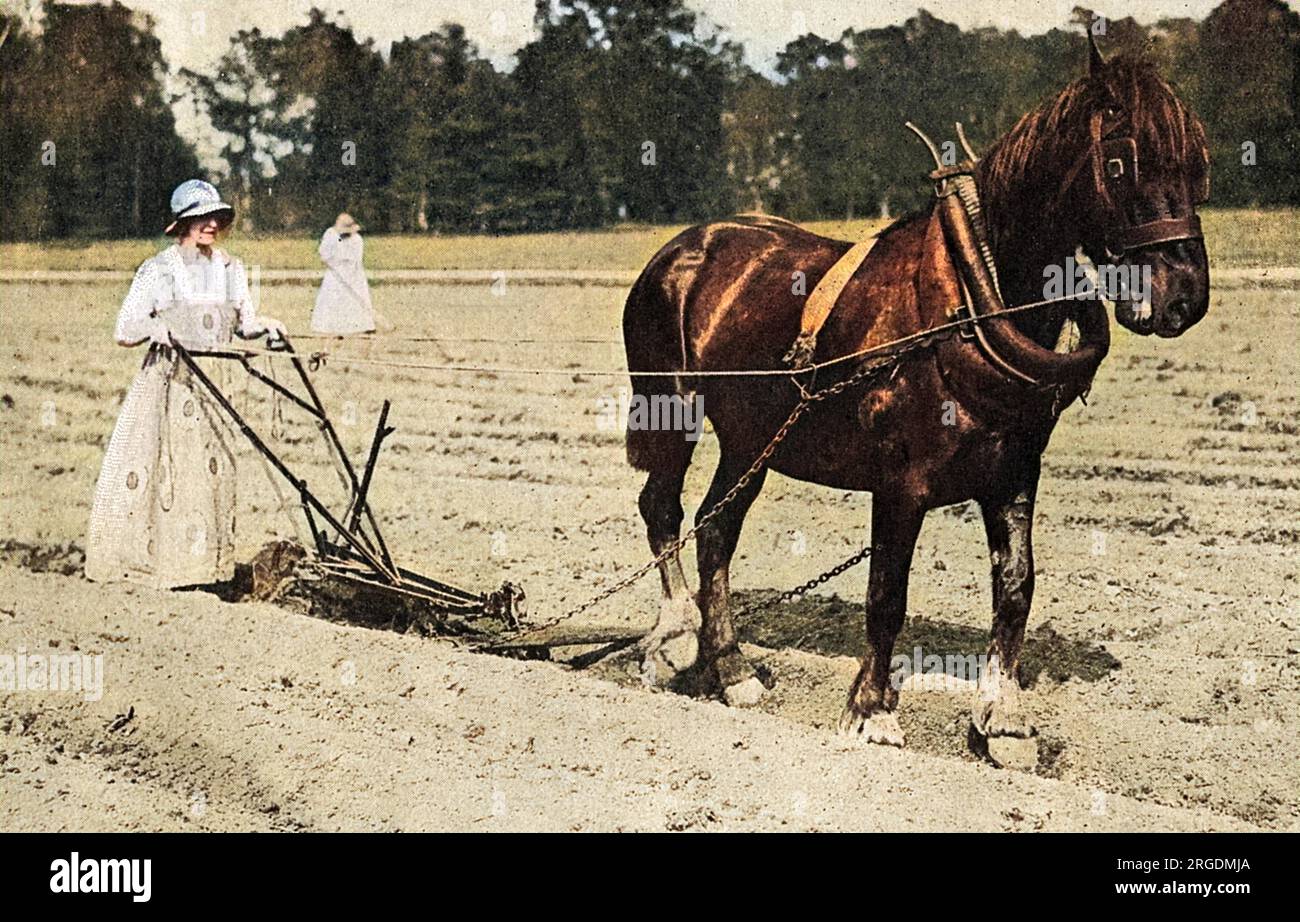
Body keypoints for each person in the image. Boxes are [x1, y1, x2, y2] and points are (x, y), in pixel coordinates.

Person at [84, 179, 286, 589]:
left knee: (212, 475)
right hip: (171, 389)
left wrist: (267, 327)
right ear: (182, 223)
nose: (210, 225)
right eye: (201, 218)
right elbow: (124, 329)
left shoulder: (231, 268)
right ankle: (167, 572)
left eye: (216, 217)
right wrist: (154, 327)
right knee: (172, 473)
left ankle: (207, 572)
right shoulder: (158, 270)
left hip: (217, 389)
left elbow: (244, 324)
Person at [311, 212, 376, 334]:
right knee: (332, 301)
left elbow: (354, 259)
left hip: (353, 276)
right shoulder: (331, 235)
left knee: (355, 302)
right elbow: (324, 254)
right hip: (334, 276)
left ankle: (362, 325)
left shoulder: (356, 240)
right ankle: (332, 328)